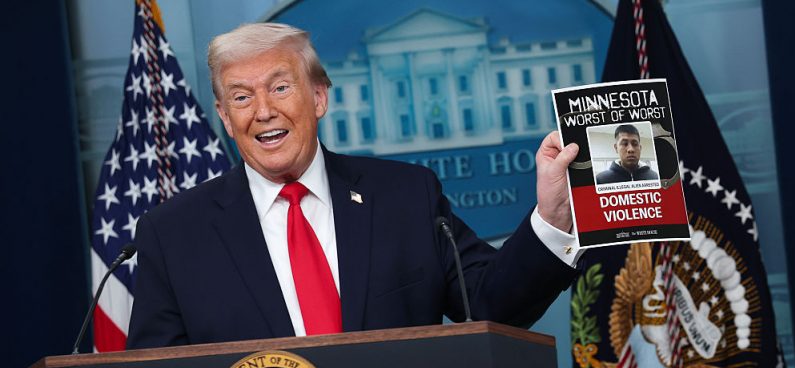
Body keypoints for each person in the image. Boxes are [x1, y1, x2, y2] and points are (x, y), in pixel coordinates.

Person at [126, 23, 582, 349]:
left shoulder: (406, 196)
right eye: (242, 97)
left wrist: (552, 217)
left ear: (319, 97)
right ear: (225, 117)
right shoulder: (173, 234)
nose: (262, 111)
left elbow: (492, 308)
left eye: (280, 88)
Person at [595, 124, 659, 184]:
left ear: (640, 148)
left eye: (635, 144)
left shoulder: (655, 177)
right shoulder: (600, 180)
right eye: (625, 144)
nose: (630, 149)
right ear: (616, 148)